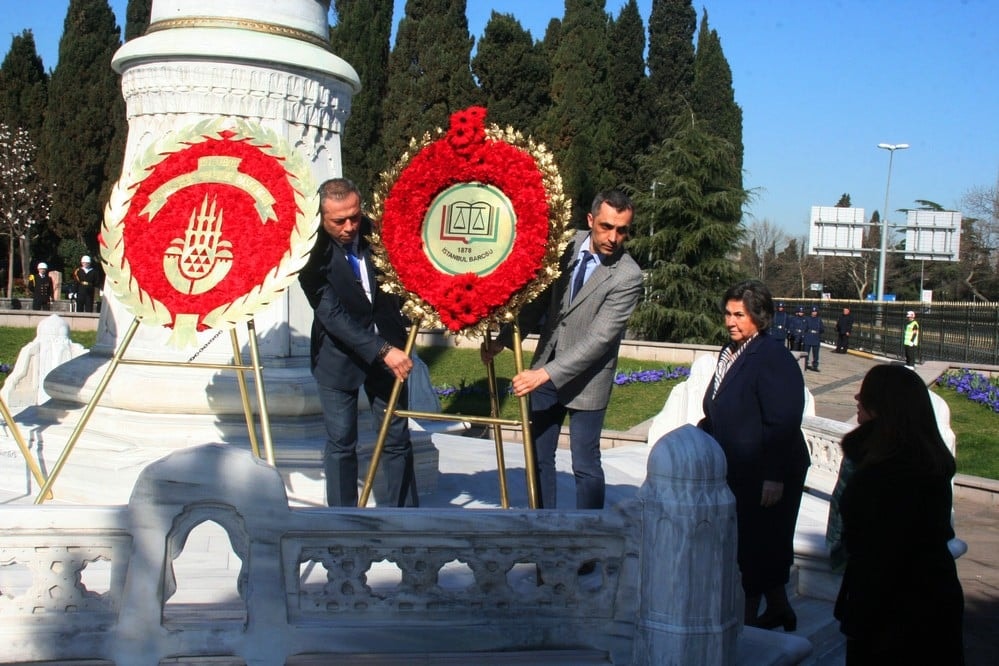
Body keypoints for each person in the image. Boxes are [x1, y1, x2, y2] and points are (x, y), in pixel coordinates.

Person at [482, 189, 644, 512]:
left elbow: (599, 340)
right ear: (590, 219)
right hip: (546, 366)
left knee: (585, 464)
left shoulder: (629, 276)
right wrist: (503, 339)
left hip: (588, 380)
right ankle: (545, 527)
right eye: (606, 227)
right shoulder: (564, 246)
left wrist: (543, 374)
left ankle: (587, 535)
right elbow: (539, 301)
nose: (613, 237)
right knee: (538, 456)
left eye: (622, 230)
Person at [298, 178, 418, 508]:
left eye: (354, 216)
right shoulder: (309, 252)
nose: (350, 227)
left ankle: (406, 518)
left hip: (392, 353)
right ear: (321, 216)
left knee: (396, 437)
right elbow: (332, 315)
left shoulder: (379, 233)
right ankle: (342, 521)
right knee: (342, 443)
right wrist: (382, 350)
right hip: (338, 358)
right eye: (339, 221)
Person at [833, 365, 964, 664]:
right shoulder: (926, 461)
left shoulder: (887, 471)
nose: (857, 399)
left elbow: (878, 548)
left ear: (882, 406)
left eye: (865, 395)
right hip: (929, 599)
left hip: (892, 610)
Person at [698, 279, 810, 630]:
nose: (730, 322)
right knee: (757, 541)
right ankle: (779, 609)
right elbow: (720, 404)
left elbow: (783, 420)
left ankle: (744, 626)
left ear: (759, 317)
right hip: (742, 467)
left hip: (769, 470)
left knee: (757, 545)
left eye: (739, 315)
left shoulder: (772, 356)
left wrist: (773, 476)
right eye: (728, 314)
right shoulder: (730, 351)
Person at [803, 306, 825, 371]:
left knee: (816, 353)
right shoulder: (807, 319)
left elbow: (822, 329)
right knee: (806, 352)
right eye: (813, 311)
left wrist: (819, 332)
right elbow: (804, 327)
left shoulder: (819, 319)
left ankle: (815, 366)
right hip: (808, 337)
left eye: (815, 311)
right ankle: (805, 364)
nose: (814, 313)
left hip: (816, 337)